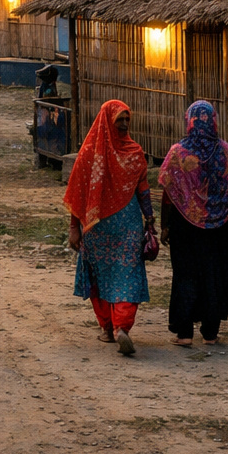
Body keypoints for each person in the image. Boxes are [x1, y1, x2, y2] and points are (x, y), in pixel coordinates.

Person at [158, 101, 228, 346]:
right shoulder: (226, 152)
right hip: (219, 226)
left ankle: (185, 333)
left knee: (186, 276)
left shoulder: (179, 153)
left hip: (184, 226)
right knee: (213, 276)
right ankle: (210, 333)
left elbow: (168, 192)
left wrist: (165, 226)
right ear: (214, 121)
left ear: (190, 121)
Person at [66, 100, 155, 356]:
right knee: (124, 273)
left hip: (105, 227)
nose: (125, 124)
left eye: (128, 119)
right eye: (120, 120)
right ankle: (118, 327)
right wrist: (148, 219)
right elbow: (79, 193)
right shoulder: (109, 154)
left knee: (104, 274)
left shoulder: (97, 153)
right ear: (108, 122)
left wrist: (74, 227)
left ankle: (111, 328)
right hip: (118, 226)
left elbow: (142, 189)